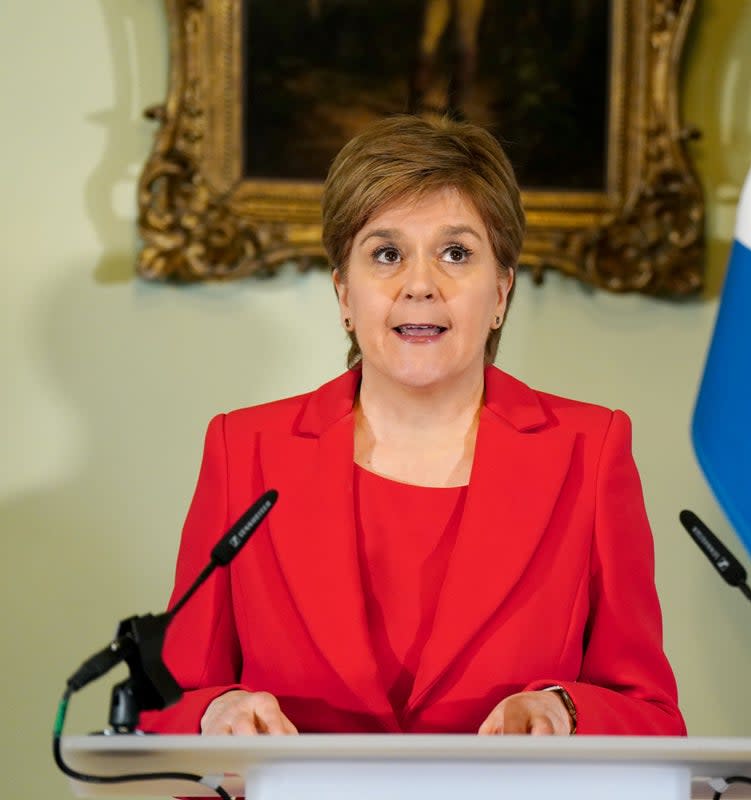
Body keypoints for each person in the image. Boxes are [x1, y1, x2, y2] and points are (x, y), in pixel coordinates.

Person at [138, 115, 685, 737]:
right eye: (387, 253)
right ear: (345, 294)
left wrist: (566, 710)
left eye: (456, 253)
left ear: (501, 291)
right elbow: (170, 705)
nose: (420, 285)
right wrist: (214, 715)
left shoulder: (590, 452)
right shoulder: (244, 450)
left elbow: (653, 718)